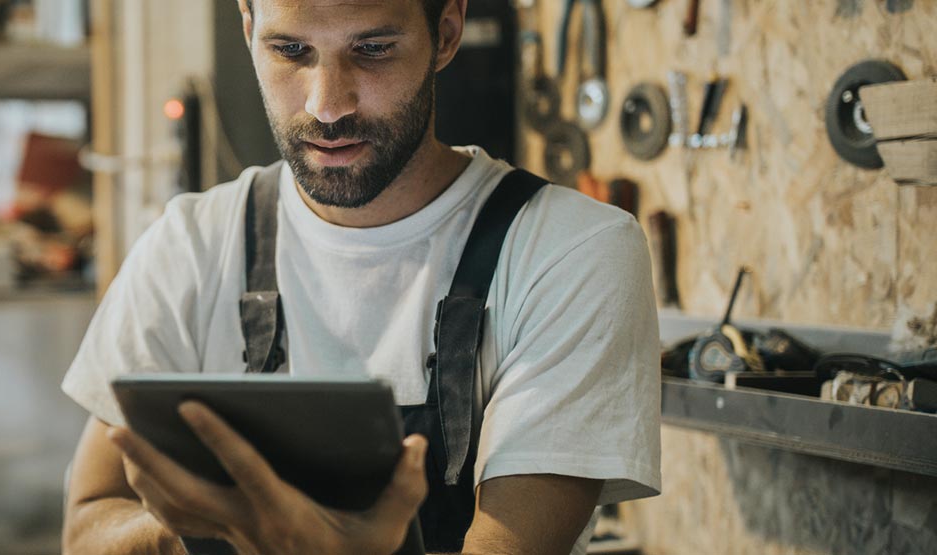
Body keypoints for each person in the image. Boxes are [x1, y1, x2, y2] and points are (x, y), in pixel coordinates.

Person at [60, 1, 662, 553]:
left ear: (445, 34)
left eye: (372, 50)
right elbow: (87, 525)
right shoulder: (191, 244)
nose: (327, 106)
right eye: (290, 51)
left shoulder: (570, 252)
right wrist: (208, 527)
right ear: (248, 30)